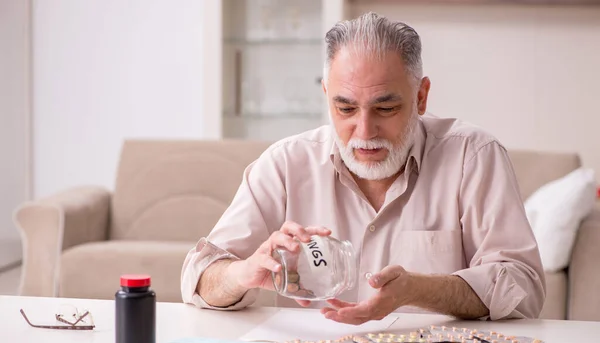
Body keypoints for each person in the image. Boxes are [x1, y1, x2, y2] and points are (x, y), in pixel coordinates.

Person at [180, 12, 545, 324]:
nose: (365, 132)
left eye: (385, 109)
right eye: (346, 109)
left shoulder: (473, 156)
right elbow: (197, 277)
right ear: (326, 95)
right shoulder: (284, 164)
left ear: (421, 97)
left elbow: (524, 289)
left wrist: (418, 291)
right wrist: (244, 273)